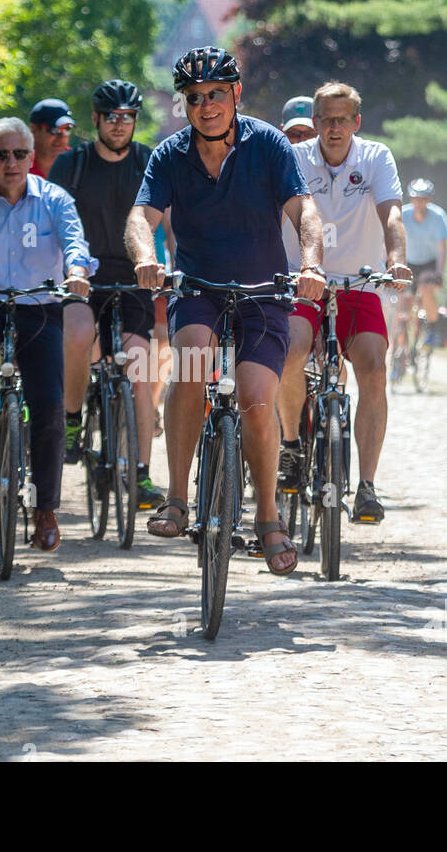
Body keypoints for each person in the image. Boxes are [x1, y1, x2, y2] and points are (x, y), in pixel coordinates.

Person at [126, 45, 325, 575]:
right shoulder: (170, 154)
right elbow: (141, 217)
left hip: (265, 291)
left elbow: (304, 209)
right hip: (198, 288)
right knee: (190, 365)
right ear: (184, 104)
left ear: (235, 93)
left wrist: (311, 264)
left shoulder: (270, 144)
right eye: (194, 97)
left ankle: (267, 517)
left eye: (216, 93)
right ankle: (176, 498)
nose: (206, 105)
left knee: (258, 398)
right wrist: (146, 257)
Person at [0, 117, 93, 552]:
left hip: (40, 304)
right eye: (1, 154)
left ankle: (45, 511)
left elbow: (74, 243)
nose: (11, 162)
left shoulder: (55, 199)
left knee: (48, 407)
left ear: (32, 157)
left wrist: (77, 272)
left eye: (20, 154)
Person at [275, 81, 410, 524]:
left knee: (373, 368)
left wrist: (396, 260)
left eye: (343, 119)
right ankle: (291, 446)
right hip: (304, 281)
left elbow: (391, 211)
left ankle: (367, 486)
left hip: (360, 281)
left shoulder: (375, 157)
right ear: (314, 123)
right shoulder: (293, 156)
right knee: (292, 351)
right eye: (326, 119)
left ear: (357, 121)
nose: (334, 128)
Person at [49, 78, 165, 508]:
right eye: (112, 117)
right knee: (78, 336)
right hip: (81, 274)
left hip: (136, 277)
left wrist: (179, 266)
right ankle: (74, 418)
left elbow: (172, 221)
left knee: (141, 369)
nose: (120, 125)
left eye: (128, 117)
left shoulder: (149, 163)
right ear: (95, 120)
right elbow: (51, 225)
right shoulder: (71, 166)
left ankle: (141, 474)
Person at [399, 178, 447, 341]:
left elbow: (442, 249)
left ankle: (433, 328)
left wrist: (439, 273)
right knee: (403, 300)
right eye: (416, 199)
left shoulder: (438, 216)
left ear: (428, 200)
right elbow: (393, 240)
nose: (419, 202)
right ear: (411, 199)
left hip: (429, 262)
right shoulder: (403, 214)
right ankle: (398, 346)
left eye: (423, 199)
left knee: (426, 288)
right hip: (409, 261)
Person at [28, 98, 75, 179]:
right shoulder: (17, 166)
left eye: (67, 129)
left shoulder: (79, 165)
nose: (61, 137)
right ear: (33, 129)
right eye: (54, 130)